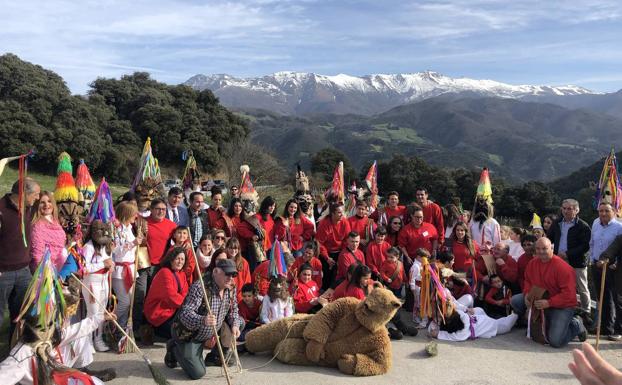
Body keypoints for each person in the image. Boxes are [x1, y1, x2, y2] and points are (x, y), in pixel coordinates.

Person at [166, 259, 242, 378]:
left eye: (233, 274)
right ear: (216, 272)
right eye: (227, 274)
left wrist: (235, 325)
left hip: (213, 330)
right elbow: (185, 314)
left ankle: (215, 356)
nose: (230, 278)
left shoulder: (231, 287)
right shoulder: (200, 286)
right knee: (197, 373)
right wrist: (202, 320)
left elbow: (234, 311)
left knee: (240, 322)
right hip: (190, 335)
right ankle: (174, 348)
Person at [510, 237, 586, 348]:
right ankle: (534, 324)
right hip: (540, 299)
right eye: (538, 249)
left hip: (561, 305)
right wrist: (527, 294)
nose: (541, 252)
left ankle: (576, 324)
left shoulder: (563, 268)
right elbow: (528, 282)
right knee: (516, 300)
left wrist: (549, 302)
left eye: (544, 248)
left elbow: (569, 296)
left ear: (551, 248)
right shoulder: (532, 263)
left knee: (555, 341)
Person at [0, 178, 40, 341]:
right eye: (35, 194)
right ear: (24, 193)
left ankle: (13, 348)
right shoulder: (1, 209)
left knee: (22, 313)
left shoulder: (28, 208)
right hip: (3, 273)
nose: (37, 198)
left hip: (24, 271)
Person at [548, 198, 592, 317]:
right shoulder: (557, 223)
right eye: (564, 208)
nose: (566, 211)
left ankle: (586, 312)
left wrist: (568, 253)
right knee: (561, 285)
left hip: (577, 261)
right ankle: (565, 308)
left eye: (569, 209)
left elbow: (585, 246)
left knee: (582, 287)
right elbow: (550, 238)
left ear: (577, 210)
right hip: (559, 260)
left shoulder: (583, 226)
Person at [588, 202, 622, 340]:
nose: (603, 214)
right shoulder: (596, 223)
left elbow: (619, 247)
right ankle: (605, 327)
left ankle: (617, 329)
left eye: (606, 211)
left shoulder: (619, 227)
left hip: (613, 267)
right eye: (600, 211)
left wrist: (616, 262)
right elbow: (592, 242)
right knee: (602, 297)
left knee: (616, 298)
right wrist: (592, 258)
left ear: (613, 211)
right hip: (596, 264)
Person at [82, 220, 115, 352]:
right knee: (93, 313)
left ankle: (98, 339)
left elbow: (110, 261)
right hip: (91, 283)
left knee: (102, 312)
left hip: (104, 282)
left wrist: (111, 266)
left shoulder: (106, 246)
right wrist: (103, 264)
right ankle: (88, 342)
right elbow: (84, 268)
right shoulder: (88, 247)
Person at [144, 247, 189, 339]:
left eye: (182, 259)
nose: (180, 262)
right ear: (171, 260)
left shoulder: (182, 274)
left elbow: (185, 293)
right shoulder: (164, 272)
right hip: (160, 314)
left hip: (174, 310)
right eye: (177, 259)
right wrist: (187, 305)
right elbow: (170, 296)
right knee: (183, 331)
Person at [111, 200, 142, 333]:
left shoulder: (129, 229)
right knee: (124, 302)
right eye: (134, 214)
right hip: (120, 270)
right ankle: (113, 324)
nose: (136, 216)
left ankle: (122, 328)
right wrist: (133, 243)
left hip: (130, 268)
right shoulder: (117, 230)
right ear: (127, 214)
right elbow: (115, 250)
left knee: (129, 301)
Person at [316, 202, 352, 290]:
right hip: (326, 252)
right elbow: (319, 243)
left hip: (340, 251)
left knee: (339, 275)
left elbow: (347, 240)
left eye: (343, 212)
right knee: (327, 275)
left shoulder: (345, 222)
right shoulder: (324, 224)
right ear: (332, 213)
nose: (342, 215)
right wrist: (327, 258)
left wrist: (342, 254)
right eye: (339, 212)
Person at [428, 306, 517, 341]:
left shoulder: (463, 328)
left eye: (440, 316)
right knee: (479, 310)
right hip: (478, 317)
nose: (438, 318)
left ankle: (517, 313)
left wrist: (439, 334)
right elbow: (432, 329)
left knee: (506, 326)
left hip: (487, 324)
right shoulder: (455, 315)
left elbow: (458, 337)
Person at [29, 191, 67, 272]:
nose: (46, 205)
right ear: (37, 206)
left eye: (49, 201)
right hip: (45, 272)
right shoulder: (37, 226)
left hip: (59, 268)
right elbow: (37, 255)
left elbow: (60, 245)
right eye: (42, 202)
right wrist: (46, 275)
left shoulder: (55, 221)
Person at [227, 237, 251, 302]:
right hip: (227, 295)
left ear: (238, 249)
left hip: (240, 296)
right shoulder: (224, 260)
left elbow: (247, 280)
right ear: (227, 248)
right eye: (231, 248)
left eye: (235, 248)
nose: (233, 251)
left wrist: (242, 295)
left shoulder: (244, 262)